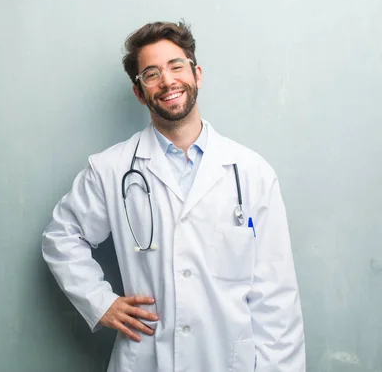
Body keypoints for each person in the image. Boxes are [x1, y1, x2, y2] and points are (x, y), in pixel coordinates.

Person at [41, 21, 305, 372]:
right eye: (151, 74)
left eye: (176, 67)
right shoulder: (111, 169)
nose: (167, 81)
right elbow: (61, 237)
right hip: (148, 360)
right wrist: (100, 302)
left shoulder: (251, 173)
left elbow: (276, 297)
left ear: (197, 74)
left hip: (228, 361)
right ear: (139, 92)